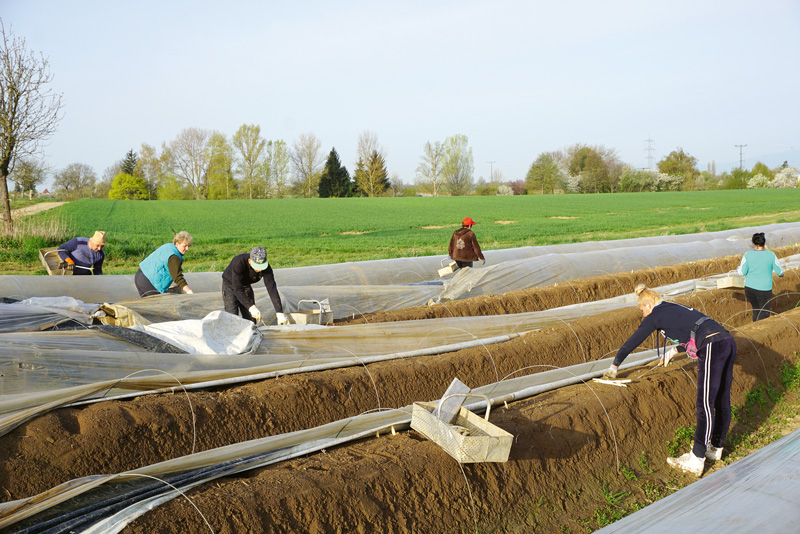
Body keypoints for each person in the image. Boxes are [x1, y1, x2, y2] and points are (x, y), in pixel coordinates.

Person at [602, 284, 737, 477]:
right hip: (726, 340)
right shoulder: (671, 307)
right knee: (722, 400)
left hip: (711, 345)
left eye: (642, 311)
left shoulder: (655, 315)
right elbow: (689, 330)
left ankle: (696, 459)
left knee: (704, 403)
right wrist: (674, 350)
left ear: (648, 305)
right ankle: (715, 449)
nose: (643, 315)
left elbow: (633, 341)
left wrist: (614, 366)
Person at [221, 246, 288, 325]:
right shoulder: (239, 262)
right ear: (250, 261)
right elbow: (237, 289)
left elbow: (272, 288)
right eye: (257, 267)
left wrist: (279, 312)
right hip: (230, 286)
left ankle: (252, 335)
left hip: (245, 285)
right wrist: (251, 307)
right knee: (232, 318)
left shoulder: (266, 268)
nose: (259, 270)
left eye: (261, 267)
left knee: (251, 319)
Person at [737, 232, 783, 321]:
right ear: (765, 243)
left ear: (753, 243)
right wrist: (782, 274)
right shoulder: (771, 255)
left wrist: (738, 268)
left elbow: (741, 273)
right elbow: (780, 272)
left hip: (750, 289)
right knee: (764, 312)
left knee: (756, 310)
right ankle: (761, 330)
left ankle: (756, 327)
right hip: (764, 289)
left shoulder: (747, 255)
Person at [134, 231, 194, 297]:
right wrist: (189, 292)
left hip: (139, 276)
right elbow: (177, 277)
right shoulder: (174, 257)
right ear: (177, 243)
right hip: (150, 282)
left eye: (188, 246)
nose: (187, 249)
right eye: (185, 246)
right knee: (157, 305)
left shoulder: (169, 247)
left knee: (147, 305)